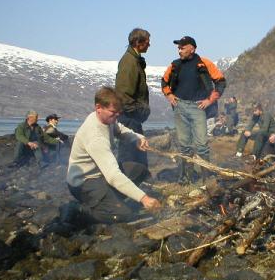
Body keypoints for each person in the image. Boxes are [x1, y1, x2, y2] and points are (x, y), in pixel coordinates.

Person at [67, 87, 161, 224]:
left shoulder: (106, 119)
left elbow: (120, 129)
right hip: (84, 183)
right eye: (113, 113)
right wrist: (144, 198)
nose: (116, 116)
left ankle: (110, 200)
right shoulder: (95, 137)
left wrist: (137, 138)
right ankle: (81, 210)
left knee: (139, 170)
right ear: (98, 107)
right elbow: (113, 176)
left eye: (119, 113)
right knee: (125, 216)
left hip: (100, 175)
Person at [161, 36, 226, 184]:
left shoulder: (204, 63)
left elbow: (221, 81)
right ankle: (186, 179)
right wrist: (169, 95)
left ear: (192, 48)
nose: (179, 50)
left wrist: (210, 100)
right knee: (184, 146)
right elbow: (164, 81)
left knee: (202, 145)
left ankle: (206, 178)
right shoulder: (175, 65)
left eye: (182, 47)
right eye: (178, 47)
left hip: (199, 107)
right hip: (180, 106)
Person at [115, 28, 151, 167]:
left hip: (132, 116)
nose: (149, 45)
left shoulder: (134, 60)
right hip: (129, 117)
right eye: (147, 42)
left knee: (137, 155)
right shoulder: (129, 62)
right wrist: (140, 111)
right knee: (130, 157)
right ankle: (125, 185)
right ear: (138, 42)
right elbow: (123, 95)